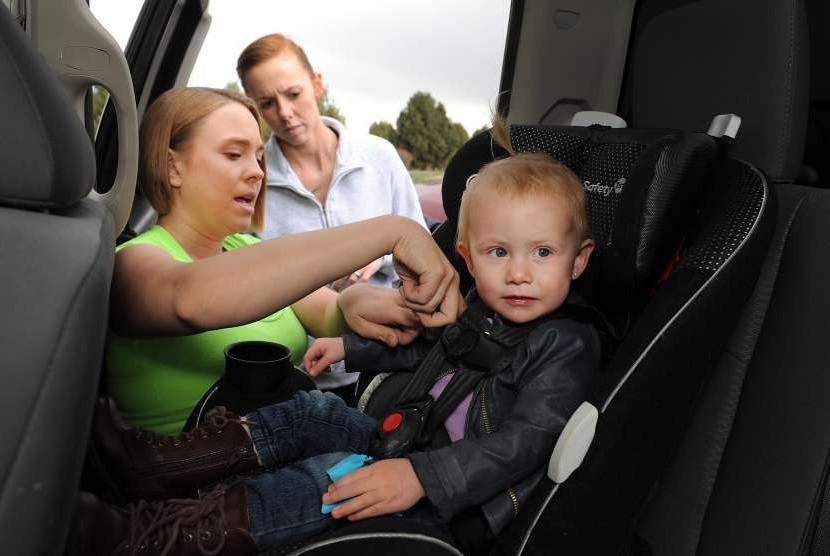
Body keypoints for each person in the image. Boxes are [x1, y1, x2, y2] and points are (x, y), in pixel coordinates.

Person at [79, 122, 600, 555]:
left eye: (544, 253)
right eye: (499, 253)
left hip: (455, 496)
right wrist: (351, 347)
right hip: (410, 442)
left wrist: (422, 477)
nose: (519, 275)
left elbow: (522, 444)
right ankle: (152, 467)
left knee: (331, 477)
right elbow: (429, 350)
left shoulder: (565, 344)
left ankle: (149, 538)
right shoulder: (480, 310)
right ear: (466, 257)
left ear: (579, 260)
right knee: (312, 411)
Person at [105, 86, 459, 436]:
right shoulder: (132, 262)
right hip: (201, 483)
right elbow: (187, 299)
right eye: (233, 154)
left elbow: (328, 313)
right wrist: (390, 232)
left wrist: (359, 302)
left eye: (258, 157)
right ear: (173, 168)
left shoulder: (245, 247)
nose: (258, 172)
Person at [236, 33, 429, 398]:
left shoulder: (380, 157)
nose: (285, 113)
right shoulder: (251, 182)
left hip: (387, 362)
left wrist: (380, 251)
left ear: (317, 84)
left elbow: (422, 248)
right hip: (300, 377)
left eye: (293, 94)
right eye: (267, 103)